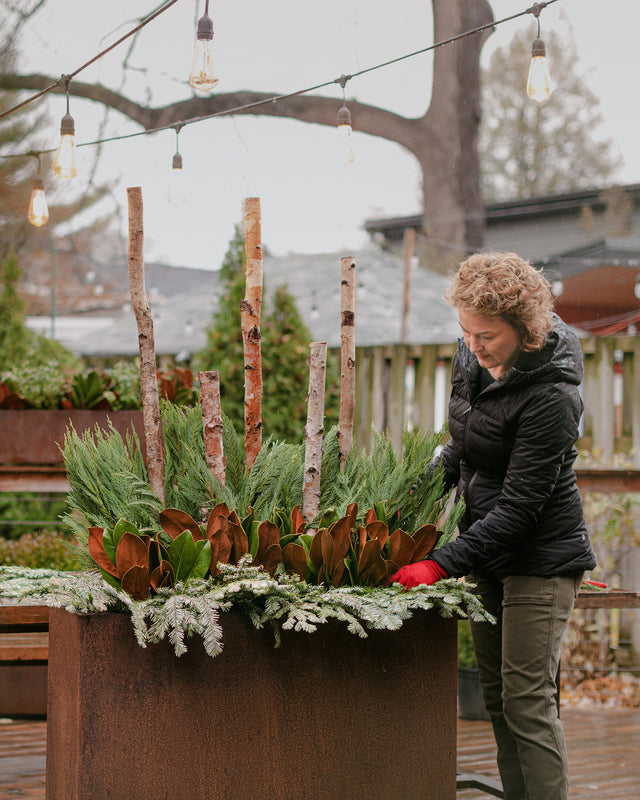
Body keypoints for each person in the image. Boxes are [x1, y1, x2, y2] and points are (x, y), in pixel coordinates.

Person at [388, 252, 596, 800]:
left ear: (524, 329)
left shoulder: (553, 395)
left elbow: (520, 508)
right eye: (466, 332)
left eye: (486, 336)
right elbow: (462, 447)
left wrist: (439, 564)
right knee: (499, 699)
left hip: (542, 558)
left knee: (528, 700)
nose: (474, 346)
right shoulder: (472, 360)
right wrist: (407, 502)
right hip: (488, 553)